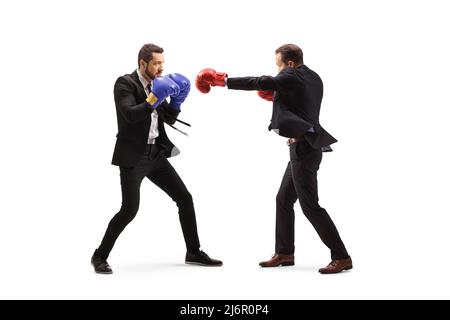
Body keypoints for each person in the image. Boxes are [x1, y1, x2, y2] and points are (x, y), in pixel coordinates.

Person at [195, 44, 351, 274]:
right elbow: (301, 101)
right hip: (307, 147)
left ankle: (342, 256)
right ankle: (285, 252)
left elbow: (260, 81)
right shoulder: (313, 77)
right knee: (283, 199)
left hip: (303, 150)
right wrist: (280, 98)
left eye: (278, 65)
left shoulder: (291, 74)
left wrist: (222, 80)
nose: (277, 71)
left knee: (310, 206)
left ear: (289, 63)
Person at [91, 43, 222, 274]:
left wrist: (177, 102)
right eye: (156, 63)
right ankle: (99, 256)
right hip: (134, 156)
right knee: (129, 210)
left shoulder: (157, 83)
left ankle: (193, 251)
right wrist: (153, 98)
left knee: (184, 198)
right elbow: (130, 115)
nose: (161, 68)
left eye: (163, 63)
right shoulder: (125, 83)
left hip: (156, 154)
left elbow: (168, 119)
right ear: (143, 63)